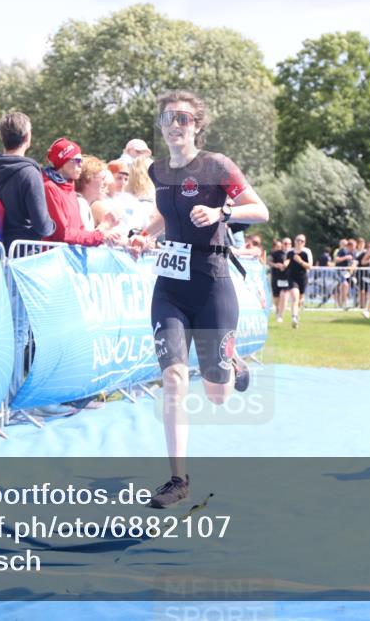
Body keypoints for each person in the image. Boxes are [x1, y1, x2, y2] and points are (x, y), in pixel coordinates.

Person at [127, 90, 268, 509]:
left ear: (197, 126)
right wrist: (142, 234)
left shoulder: (216, 166)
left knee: (217, 394)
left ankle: (233, 361)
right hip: (170, 287)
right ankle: (177, 479)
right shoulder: (156, 170)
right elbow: (164, 215)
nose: (174, 124)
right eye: (168, 117)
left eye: (183, 119)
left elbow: (259, 209)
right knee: (172, 378)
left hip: (211, 284)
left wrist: (222, 214)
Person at [0, 111, 55, 250]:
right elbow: (42, 226)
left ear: (1, 136)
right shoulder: (29, 173)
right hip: (23, 254)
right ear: (27, 137)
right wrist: (53, 226)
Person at [43, 138, 123, 247]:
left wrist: (101, 233)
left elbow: (80, 230)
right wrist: (100, 235)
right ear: (63, 161)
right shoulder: (49, 187)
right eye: (77, 160)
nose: (81, 165)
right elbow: (62, 234)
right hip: (54, 258)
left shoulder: (70, 189)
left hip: (67, 257)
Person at [281, 234, 312, 329]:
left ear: (304, 243)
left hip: (302, 277)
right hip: (292, 277)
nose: (299, 242)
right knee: (295, 297)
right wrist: (284, 265)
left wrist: (300, 261)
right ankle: (294, 318)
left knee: (300, 300)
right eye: (298, 240)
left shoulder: (306, 252)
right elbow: (286, 261)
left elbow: (310, 266)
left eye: (302, 241)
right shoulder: (290, 252)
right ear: (294, 241)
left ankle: (296, 314)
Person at [268, 238, 288, 320]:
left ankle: (280, 315)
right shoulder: (273, 253)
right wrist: (276, 265)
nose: (279, 247)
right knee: (276, 297)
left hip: (285, 278)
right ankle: (277, 310)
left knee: (284, 295)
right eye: (277, 246)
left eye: (280, 246)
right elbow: (268, 261)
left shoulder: (287, 253)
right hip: (276, 277)